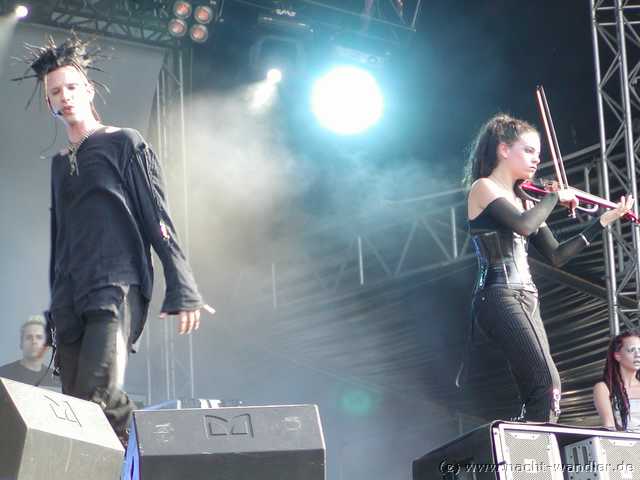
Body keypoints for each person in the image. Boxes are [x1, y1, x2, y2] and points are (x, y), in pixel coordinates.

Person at [13, 33, 211, 445]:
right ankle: (125, 459)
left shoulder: (124, 142)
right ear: (49, 103)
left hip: (115, 284)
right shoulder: (59, 165)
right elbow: (61, 240)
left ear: (88, 90)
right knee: (76, 411)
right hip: (70, 298)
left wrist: (182, 284)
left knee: (98, 395)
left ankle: (164, 447)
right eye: (55, 92)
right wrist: (52, 312)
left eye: (71, 87)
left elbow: (157, 215)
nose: (65, 97)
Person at [461, 113, 633, 422]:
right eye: (528, 150)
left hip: (527, 298)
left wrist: (602, 221)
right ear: (504, 149)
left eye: (538, 153)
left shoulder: (526, 201)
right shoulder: (483, 188)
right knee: (547, 382)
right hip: (498, 294)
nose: (536, 159)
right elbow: (524, 226)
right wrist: (554, 197)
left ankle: (529, 442)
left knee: (542, 387)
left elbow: (557, 255)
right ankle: (534, 448)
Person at [594, 331, 640, 431]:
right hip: (622, 440)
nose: (638, 354)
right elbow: (609, 426)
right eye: (631, 350)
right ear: (617, 356)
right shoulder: (604, 388)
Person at [0, 315, 59, 388]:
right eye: (29, 337)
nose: (34, 341)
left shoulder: (57, 379)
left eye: (39, 337)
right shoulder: (3, 373)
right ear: (21, 343)